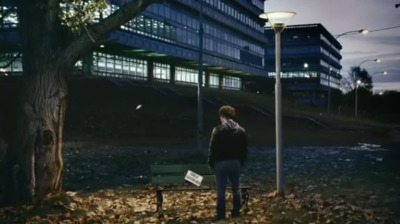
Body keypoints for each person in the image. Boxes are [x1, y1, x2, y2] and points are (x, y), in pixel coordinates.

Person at [208, 105, 248, 221]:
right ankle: (235, 213)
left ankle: (221, 216)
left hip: (221, 163)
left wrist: (211, 163)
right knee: (236, 189)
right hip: (235, 163)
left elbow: (212, 148)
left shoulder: (218, 130)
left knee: (221, 191)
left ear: (222, 116)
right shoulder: (241, 130)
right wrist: (241, 163)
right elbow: (244, 150)